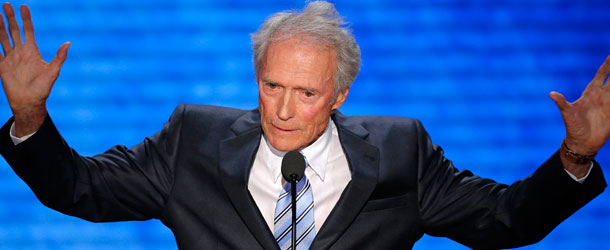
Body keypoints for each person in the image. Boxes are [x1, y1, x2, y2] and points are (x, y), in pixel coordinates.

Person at [0, 1, 608, 249]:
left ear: (340, 93)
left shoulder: (402, 151)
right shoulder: (193, 140)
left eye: (308, 93)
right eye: (272, 87)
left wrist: (575, 157)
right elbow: (78, 188)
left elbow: (505, 221)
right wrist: (30, 117)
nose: (284, 110)